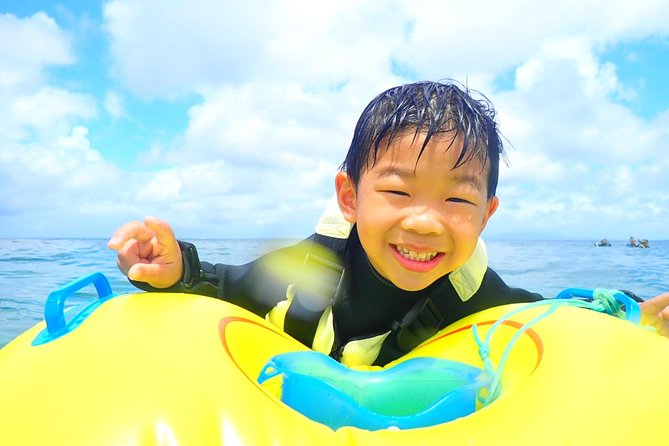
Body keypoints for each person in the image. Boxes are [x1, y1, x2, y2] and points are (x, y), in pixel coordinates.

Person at [108, 81, 669, 367]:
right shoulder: (307, 267)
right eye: (398, 192)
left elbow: (547, 314)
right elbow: (228, 286)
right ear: (350, 198)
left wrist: (629, 317)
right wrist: (178, 266)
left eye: (457, 200)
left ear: (486, 216)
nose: (425, 221)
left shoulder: (477, 296)